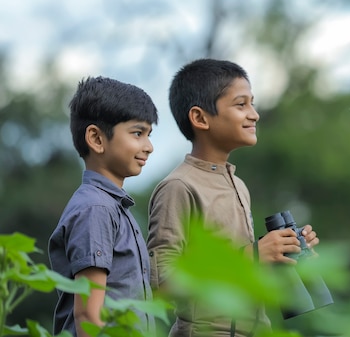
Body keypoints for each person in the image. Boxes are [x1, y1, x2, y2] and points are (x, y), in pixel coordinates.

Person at [147, 58, 320, 337]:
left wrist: (285, 254)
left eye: (252, 103)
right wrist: (252, 255)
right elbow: (161, 287)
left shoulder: (238, 185)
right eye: (241, 105)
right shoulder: (178, 187)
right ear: (200, 118)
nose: (254, 114)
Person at [48, 76, 158, 337]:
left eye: (149, 135)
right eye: (137, 133)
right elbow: (89, 316)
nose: (149, 147)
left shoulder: (115, 207)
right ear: (96, 139)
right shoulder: (96, 209)